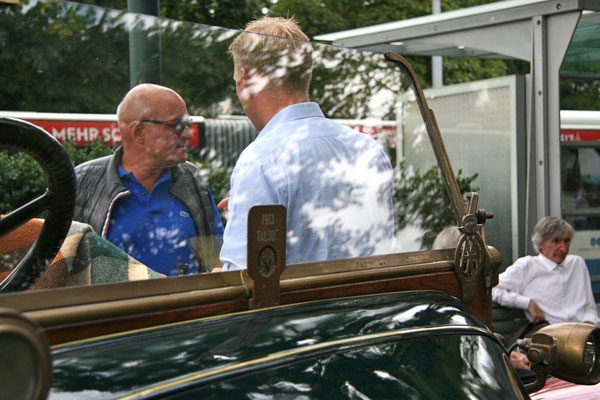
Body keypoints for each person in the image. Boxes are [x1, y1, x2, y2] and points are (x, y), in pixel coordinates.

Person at [219, 17, 395, 271]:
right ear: (306, 76)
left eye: (236, 81)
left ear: (246, 80)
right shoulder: (368, 149)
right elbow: (380, 251)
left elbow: (246, 279)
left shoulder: (261, 160)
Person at [74, 84, 224, 276]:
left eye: (188, 123)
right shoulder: (85, 181)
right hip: (111, 298)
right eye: (177, 125)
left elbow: (217, 257)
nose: (188, 133)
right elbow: (61, 260)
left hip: (188, 296)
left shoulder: (192, 180)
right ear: (139, 132)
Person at [492, 216, 600, 325]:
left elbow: (589, 307)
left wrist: (589, 324)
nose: (564, 248)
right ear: (540, 244)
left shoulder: (577, 263)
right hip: (550, 331)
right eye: (556, 241)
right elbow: (492, 289)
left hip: (582, 330)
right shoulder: (527, 266)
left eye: (567, 241)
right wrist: (527, 303)